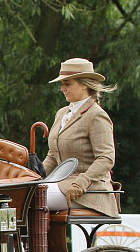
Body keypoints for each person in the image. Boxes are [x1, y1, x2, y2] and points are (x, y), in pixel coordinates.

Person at [42, 57, 119, 217]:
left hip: (89, 191)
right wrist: (33, 176)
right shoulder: (62, 113)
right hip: (61, 184)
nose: (63, 88)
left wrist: (81, 182)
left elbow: (106, 158)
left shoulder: (96, 116)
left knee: (34, 199)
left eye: (67, 84)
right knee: (21, 193)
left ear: (84, 84)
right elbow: (52, 156)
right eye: (62, 84)